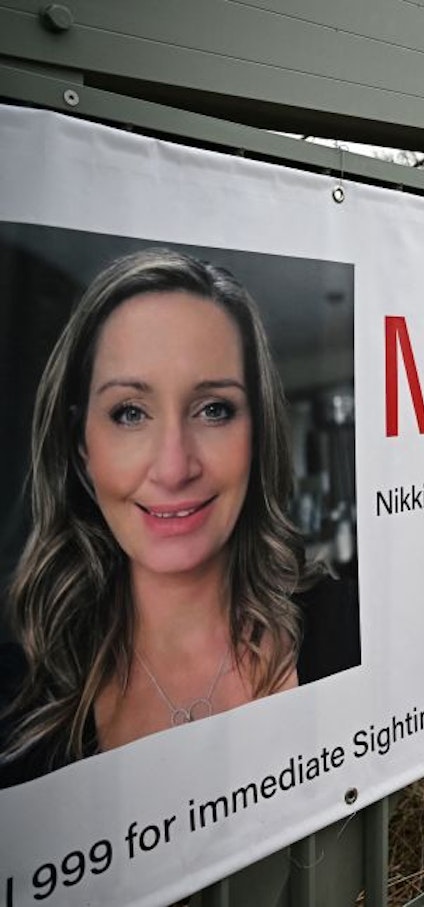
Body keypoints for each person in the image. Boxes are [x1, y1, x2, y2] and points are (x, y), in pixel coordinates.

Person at [0, 248, 358, 788]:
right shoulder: (13, 706)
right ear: (81, 451)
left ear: (256, 436)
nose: (173, 467)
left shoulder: (349, 628)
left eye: (214, 409)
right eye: (130, 413)